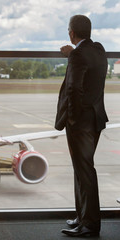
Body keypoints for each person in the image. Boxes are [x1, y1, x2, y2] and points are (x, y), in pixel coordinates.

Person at [55, 15, 108, 237]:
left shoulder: (78, 55)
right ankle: (82, 216)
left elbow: (74, 89)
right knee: (82, 169)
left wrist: (73, 119)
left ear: (72, 34)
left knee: (85, 171)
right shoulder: (99, 49)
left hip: (81, 122)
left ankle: (90, 224)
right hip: (96, 118)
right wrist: (74, 53)